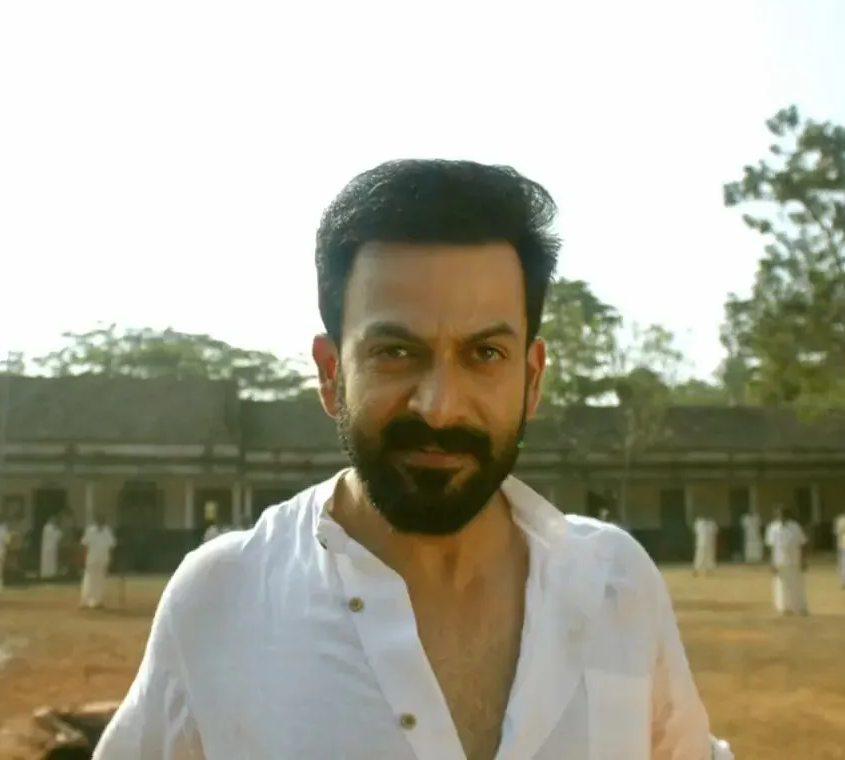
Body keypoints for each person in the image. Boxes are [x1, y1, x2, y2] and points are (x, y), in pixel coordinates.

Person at [95, 160, 730, 759]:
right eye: (395, 353)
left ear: (532, 379)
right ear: (330, 374)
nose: (440, 408)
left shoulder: (618, 584)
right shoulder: (221, 601)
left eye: (485, 354)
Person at [765, 507, 810, 616]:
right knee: (781, 585)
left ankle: (800, 607)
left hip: (794, 559)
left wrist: (803, 560)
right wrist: (771, 562)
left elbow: (802, 544)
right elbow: (770, 547)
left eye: (783, 514)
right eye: (779, 514)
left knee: (797, 584)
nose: (781, 516)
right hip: (779, 560)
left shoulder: (795, 527)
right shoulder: (773, 528)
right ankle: (784, 607)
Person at [79, 517, 117, 609]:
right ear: (96, 522)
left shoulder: (107, 531)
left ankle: (98, 601)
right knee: (89, 579)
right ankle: (85, 600)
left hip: (103, 559)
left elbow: (112, 545)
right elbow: (84, 544)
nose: (100, 524)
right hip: (92, 559)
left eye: (102, 522)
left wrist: (111, 559)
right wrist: (84, 558)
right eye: (99, 522)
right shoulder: (90, 531)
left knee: (100, 580)